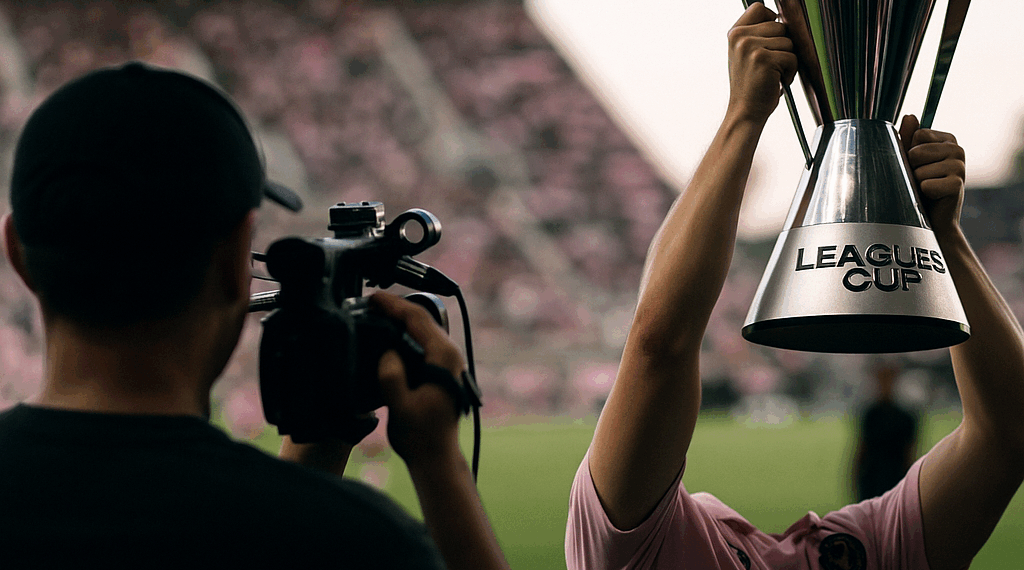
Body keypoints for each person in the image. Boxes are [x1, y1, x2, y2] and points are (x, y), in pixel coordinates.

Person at [566, 5, 1024, 570]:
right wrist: (743, 115)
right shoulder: (870, 552)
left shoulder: (648, 548)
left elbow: (660, 344)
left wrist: (938, 233)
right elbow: (660, 343)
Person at [0, 61, 509, 570]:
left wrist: (322, 436)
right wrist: (437, 461)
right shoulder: (359, 540)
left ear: (17, 254)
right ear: (234, 259)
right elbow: (265, 529)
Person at [854, 362, 919, 502]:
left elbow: (909, 454)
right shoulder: (870, 414)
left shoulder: (905, 416)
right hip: (873, 477)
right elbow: (862, 449)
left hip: (894, 476)